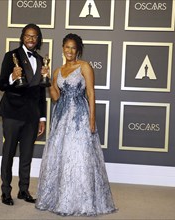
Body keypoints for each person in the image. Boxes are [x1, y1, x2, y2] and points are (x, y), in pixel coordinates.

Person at [35, 33, 117, 216]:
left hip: (79, 117)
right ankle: (61, 197)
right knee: (61, 155)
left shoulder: (85, 67)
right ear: (62, 48)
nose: (70, 51)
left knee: (79, 155)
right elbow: (55, 97)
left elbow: (91, 93)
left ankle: (82, 200)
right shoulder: (57, 70)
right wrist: (48, 79)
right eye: (67, 47)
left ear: (78, 50)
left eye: (73, 48)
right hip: (61, 117)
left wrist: (92, 120)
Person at [0, 23, 47, 206]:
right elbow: (1, 84)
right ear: (22, 37)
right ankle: (6, 192)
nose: (31, 39)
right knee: (8, 152)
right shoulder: (11, 57)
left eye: (34, 36)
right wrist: (12, 76)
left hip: (32, 116)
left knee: (27, 154)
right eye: (28, 36)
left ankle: (23, 190)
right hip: (12, 112)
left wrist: (42, 118)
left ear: (38, 39)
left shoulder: (41, 60)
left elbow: (42, 93)